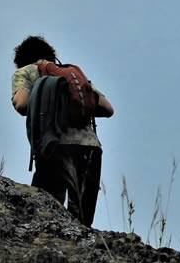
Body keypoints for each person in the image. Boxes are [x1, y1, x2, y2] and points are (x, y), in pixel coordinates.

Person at [11, 35, 114, 227]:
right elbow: (108, 109)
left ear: (21, 59)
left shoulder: (26, 72)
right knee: (82, 218)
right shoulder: (72, 75)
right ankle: (83, 251)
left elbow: (22, 104)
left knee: (46, 213)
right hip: (90, 147)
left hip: (54, 145)